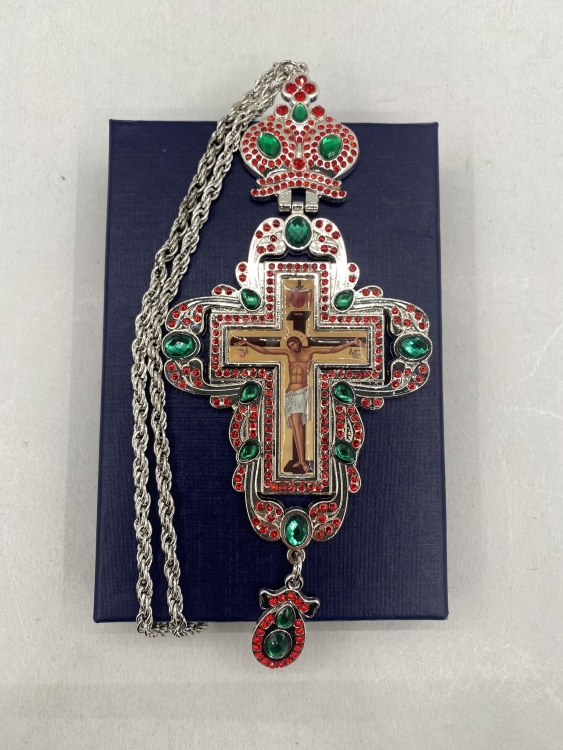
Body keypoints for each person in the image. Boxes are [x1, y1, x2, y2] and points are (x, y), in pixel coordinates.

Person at [241, 336, 362, 473]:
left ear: (299, 342)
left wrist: (351, 343)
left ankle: (303, 461)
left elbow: (332, 350)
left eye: (294, 344)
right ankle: (300, 459)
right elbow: (266, 351)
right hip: (289, 393)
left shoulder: (310, 351)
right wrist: (247, 343)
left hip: (300, 392)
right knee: (294, 426)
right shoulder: (288, 353)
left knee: (298, 425)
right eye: (290, 345)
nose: (293, 347)